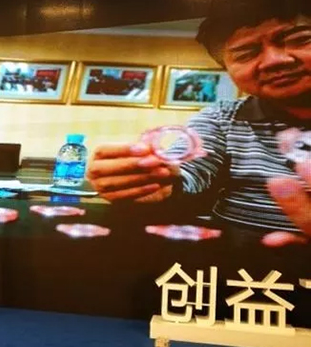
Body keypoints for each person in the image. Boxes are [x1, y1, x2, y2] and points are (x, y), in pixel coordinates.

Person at [86, 0, 311, 247]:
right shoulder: (223, 118)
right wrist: (157, 183)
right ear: (227, 70)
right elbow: (188, 171)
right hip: (235, 262)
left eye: (300, 40)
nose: (274, 60)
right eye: (246, 54)